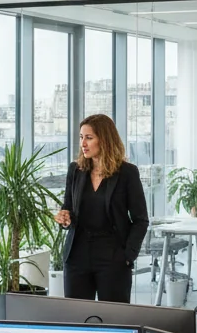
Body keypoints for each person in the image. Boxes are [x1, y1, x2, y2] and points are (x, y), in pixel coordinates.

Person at [53, 114, 149, 303]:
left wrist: (127, 256)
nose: (83, 143)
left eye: (89, 138)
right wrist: (63, 218)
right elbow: (68, 208)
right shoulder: (75, 170)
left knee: (115, 320)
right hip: (77, 256)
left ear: (104, 139)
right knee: (77, 320)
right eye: (81, 137)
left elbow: (141, 219)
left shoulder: (127, 173)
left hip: (113, 257)